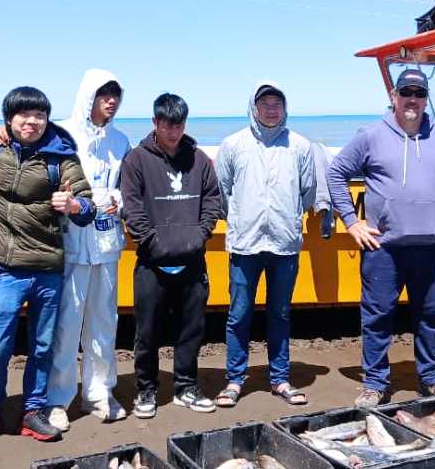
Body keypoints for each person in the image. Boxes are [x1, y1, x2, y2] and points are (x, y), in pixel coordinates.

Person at [327, 69, 435, 407]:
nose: (413, 99)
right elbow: (336, 173)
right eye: (406, 92)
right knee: (377, 317)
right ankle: (375, 383)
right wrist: (352, 222)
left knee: (429, 315)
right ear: (394, 96)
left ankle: (432, 377)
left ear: (426, 100)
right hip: (383, 247)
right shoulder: (371, 136)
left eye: (419, 94)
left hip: (429, 247)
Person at [0, 86, 96, 443]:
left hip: (49, 268)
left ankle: (32, 412)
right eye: (24, 114)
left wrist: (72, 205)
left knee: (41, 346)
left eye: (39, 115)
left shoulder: (61, 154)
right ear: (9, 118)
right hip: (6, 268)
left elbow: (88, 207)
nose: (32, 121)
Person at [120, 93, 224, 418]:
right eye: (167, 124)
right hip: (152, 262)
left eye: (178, 124)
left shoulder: (199, 159)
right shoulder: (136, 160)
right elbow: (132, 210)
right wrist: (155, 243)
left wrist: (199, 236)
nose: (173, 131)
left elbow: (212, 202)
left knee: (191, 329)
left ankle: (186, 386)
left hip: (193, 261)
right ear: (155, 122)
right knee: (147, 331)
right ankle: (146, 390)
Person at [212, 82, 316, 408]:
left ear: (285, 108)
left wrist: (288, 218)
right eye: (265, 103)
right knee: (238, 314)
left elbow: (308, 192)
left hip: (285, 244)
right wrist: (243, 219)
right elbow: (221, 192)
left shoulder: (300, 146)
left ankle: (280, 378)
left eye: (277, 103)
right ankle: (234, 380)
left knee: (280, 313)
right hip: (245, 245)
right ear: (254, 108)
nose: (271, 109)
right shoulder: (232, 145)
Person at [45, 70, 133, 429]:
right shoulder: (61, 132)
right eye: (103, 94)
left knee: (104, 321)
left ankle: (99, 392)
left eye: (115, 95)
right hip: (71, 242)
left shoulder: (122, 140)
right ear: (88, 96)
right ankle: (57, 399)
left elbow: (130, 187)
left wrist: (118, 200)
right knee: (67, 322)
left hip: (108, 241)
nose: (109, 101)